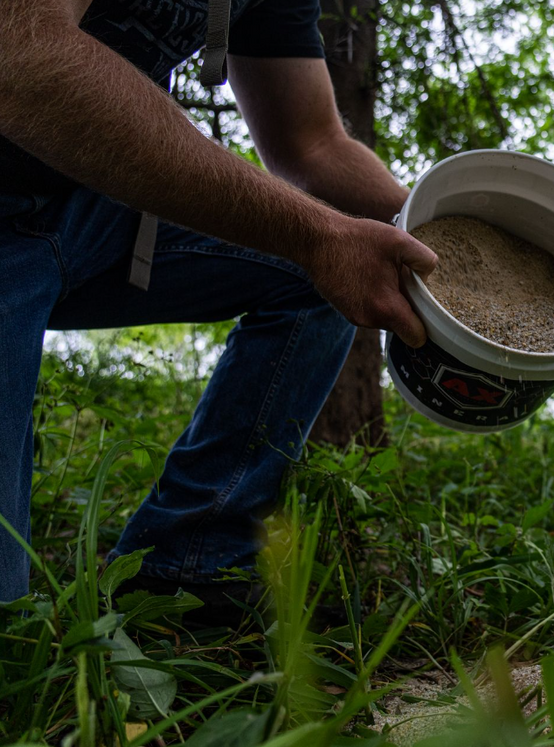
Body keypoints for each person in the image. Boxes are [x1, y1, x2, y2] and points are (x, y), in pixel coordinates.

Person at [0, 0, 438, 608]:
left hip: (89, 211)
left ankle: (189, 562)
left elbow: (314, 145)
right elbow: (20, 54)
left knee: (315, 274)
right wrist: (319, 236)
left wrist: (437, 241)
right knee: (12, 624)